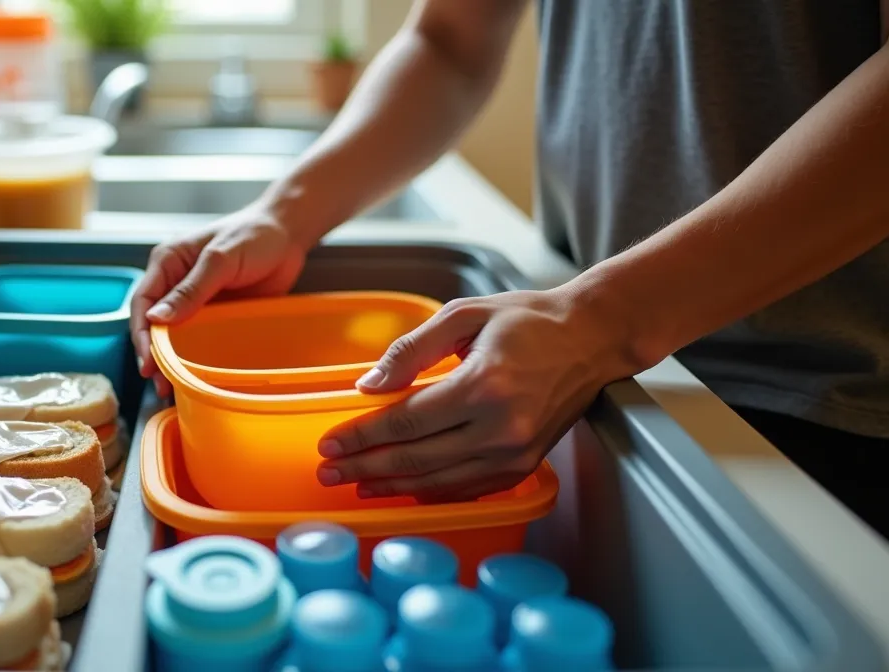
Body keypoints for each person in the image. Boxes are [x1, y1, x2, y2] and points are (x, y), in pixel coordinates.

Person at [129, 0, 889, 536]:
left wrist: (602, 321)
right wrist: (285, 213)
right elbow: (450, 40)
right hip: (585, 352)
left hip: (808, 400)